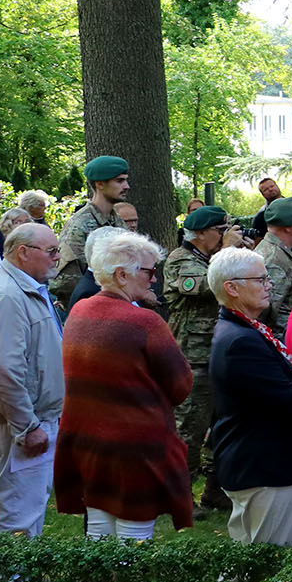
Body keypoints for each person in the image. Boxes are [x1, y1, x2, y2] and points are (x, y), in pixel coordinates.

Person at [54, 229, 194, 539]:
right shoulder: (145, 322)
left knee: (100, 534)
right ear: (121, 274)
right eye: (149, 271)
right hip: (134, 448)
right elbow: (181, 385)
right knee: (134, 538)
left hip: (88, 442)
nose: (154, 279)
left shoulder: (80, 310)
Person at [208, 246, 292, 545]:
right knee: (270, 563)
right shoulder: (241, 341)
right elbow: (291, 400)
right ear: (231, 287)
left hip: (259, 465)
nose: (268, 285)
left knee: (248, 561)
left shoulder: (244, 330)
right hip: (266, 468)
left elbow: (282, 383)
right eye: (260, 279)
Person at [0, 223, 65, 536]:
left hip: (31, 419)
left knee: (30, 505)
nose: (57, 258)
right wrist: (27, 426)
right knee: (16, 513)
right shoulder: (8, 296)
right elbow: (2, 370)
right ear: (23, 253)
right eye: (51, 251)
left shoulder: (23, 289)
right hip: (20, 425)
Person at [164, 205, 241, 516]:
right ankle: (179, 496)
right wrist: (225, 253)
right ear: (201, 234)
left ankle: (215, 490)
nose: (224, 236)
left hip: (217, 354)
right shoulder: (180, 260)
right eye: (220, 231)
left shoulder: (209, 257)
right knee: (189, 430)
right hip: (191, 358)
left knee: (221, 427)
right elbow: (204, 286)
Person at [53, 156, 129, 305]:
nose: (126, 186)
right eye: (119, 181)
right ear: (100, 184)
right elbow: (65, 284)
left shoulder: (117, 221)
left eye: (126, 180)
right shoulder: (78, 226)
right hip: (93, 309)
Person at [255, 197, 292, 327]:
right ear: (288, 227)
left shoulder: (280, 252)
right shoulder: (273, 258)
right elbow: (264, 311)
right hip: (279, 339)